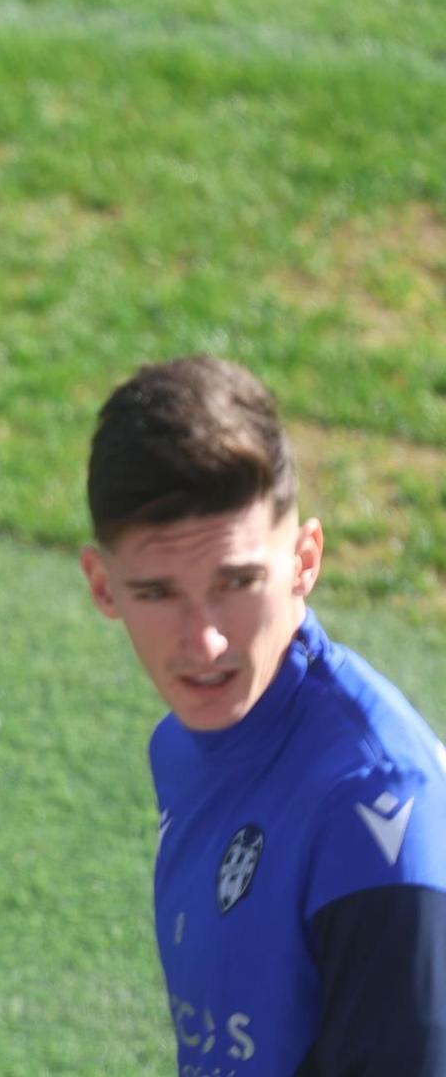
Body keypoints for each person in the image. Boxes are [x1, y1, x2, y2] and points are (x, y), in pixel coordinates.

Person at [79, 355, 446, 1073]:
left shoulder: (375, 808)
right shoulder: (185, 745)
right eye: (158, 593)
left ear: (305, 558)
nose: (204, 641)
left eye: (236, 583)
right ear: (103, 586)